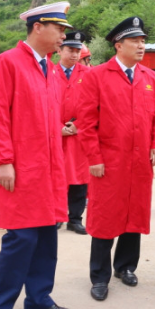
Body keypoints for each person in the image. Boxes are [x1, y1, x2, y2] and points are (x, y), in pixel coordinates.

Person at [0, 2, 75, 309]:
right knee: (21, 237)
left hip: (48, 168)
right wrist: (3, 161)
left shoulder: (49, 67)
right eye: (59, 29)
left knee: (47, 234)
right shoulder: (6, 63)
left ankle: (39, 298)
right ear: (38, 27)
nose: (63, 36)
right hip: (21, 167)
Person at [78, 17, 155, 302]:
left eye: (143, 41)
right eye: (135, 41)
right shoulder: (96, 76)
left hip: (140, 161)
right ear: (118, 45)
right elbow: (86, 121)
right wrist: (94, 157)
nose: (141, 46)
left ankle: (126, 267)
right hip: (109, 161)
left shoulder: (151, 78)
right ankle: (99, 276)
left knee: (134, 214)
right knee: (105, 218)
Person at [56, 32, 91, 235]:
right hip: (55, 135)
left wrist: (79, 124)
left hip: (80, 135)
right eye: (70, 50)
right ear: (59, 50)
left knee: (80, 178)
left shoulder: (89, 74)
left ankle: (75, 219)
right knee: (57, 176)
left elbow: (96, 105)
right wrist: (56, 127)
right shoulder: (48, 73)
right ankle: (57, 216)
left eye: (78, 51)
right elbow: (40, 105)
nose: (75, 54)